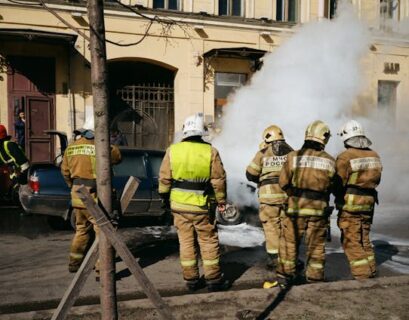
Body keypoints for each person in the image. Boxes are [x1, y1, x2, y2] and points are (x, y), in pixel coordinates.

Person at [158, 112, 228, 292]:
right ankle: (213, 279)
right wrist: (221, 201)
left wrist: (164, 198)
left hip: (179, 206)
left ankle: (191, 280)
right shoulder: (211, 151)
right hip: (202, 206)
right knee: (208, 241)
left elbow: (164, 179)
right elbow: (218, 180)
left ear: (185, 132)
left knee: (186, 242)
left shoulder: (172, 150)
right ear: (201, 132)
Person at [277, 120, 336, 288]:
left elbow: (283, 182)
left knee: (289, 244)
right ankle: (315, 279)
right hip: (319, 211)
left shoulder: (293, 157)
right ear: (324, 138)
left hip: (295, 210)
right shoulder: (330, 161)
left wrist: (293, 194)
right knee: (316, 246)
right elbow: (334, 186)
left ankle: (285, 277)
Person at [61, 117, 121, 274]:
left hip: (77, 196)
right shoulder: (101, 147)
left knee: (81, 230)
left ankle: (74, 263)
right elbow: (117, 157)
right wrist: (111, 142)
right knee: (103, 233)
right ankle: (102, 268)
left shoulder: (71, 148)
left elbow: (65, 172)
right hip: (95, 198)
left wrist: (73, 187)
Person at [246, 125, 293, 289]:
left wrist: (262, 177)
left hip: (268, 198)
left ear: (266, 137)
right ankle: (288, 258)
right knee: (286, 228)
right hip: (287, 197)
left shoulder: (263, 153)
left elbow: (250, 173)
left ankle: (274, 260)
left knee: (271, 228)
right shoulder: (292, 153)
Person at [335, 120, 382, 279]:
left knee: (351, 241)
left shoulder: (345, 157)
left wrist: (336, 197)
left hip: (351, 205)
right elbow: (377, 180)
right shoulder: (374, 155)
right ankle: (372, 270)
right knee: (364, 239)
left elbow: (337, 183)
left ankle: (363, 276)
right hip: (369, 204)